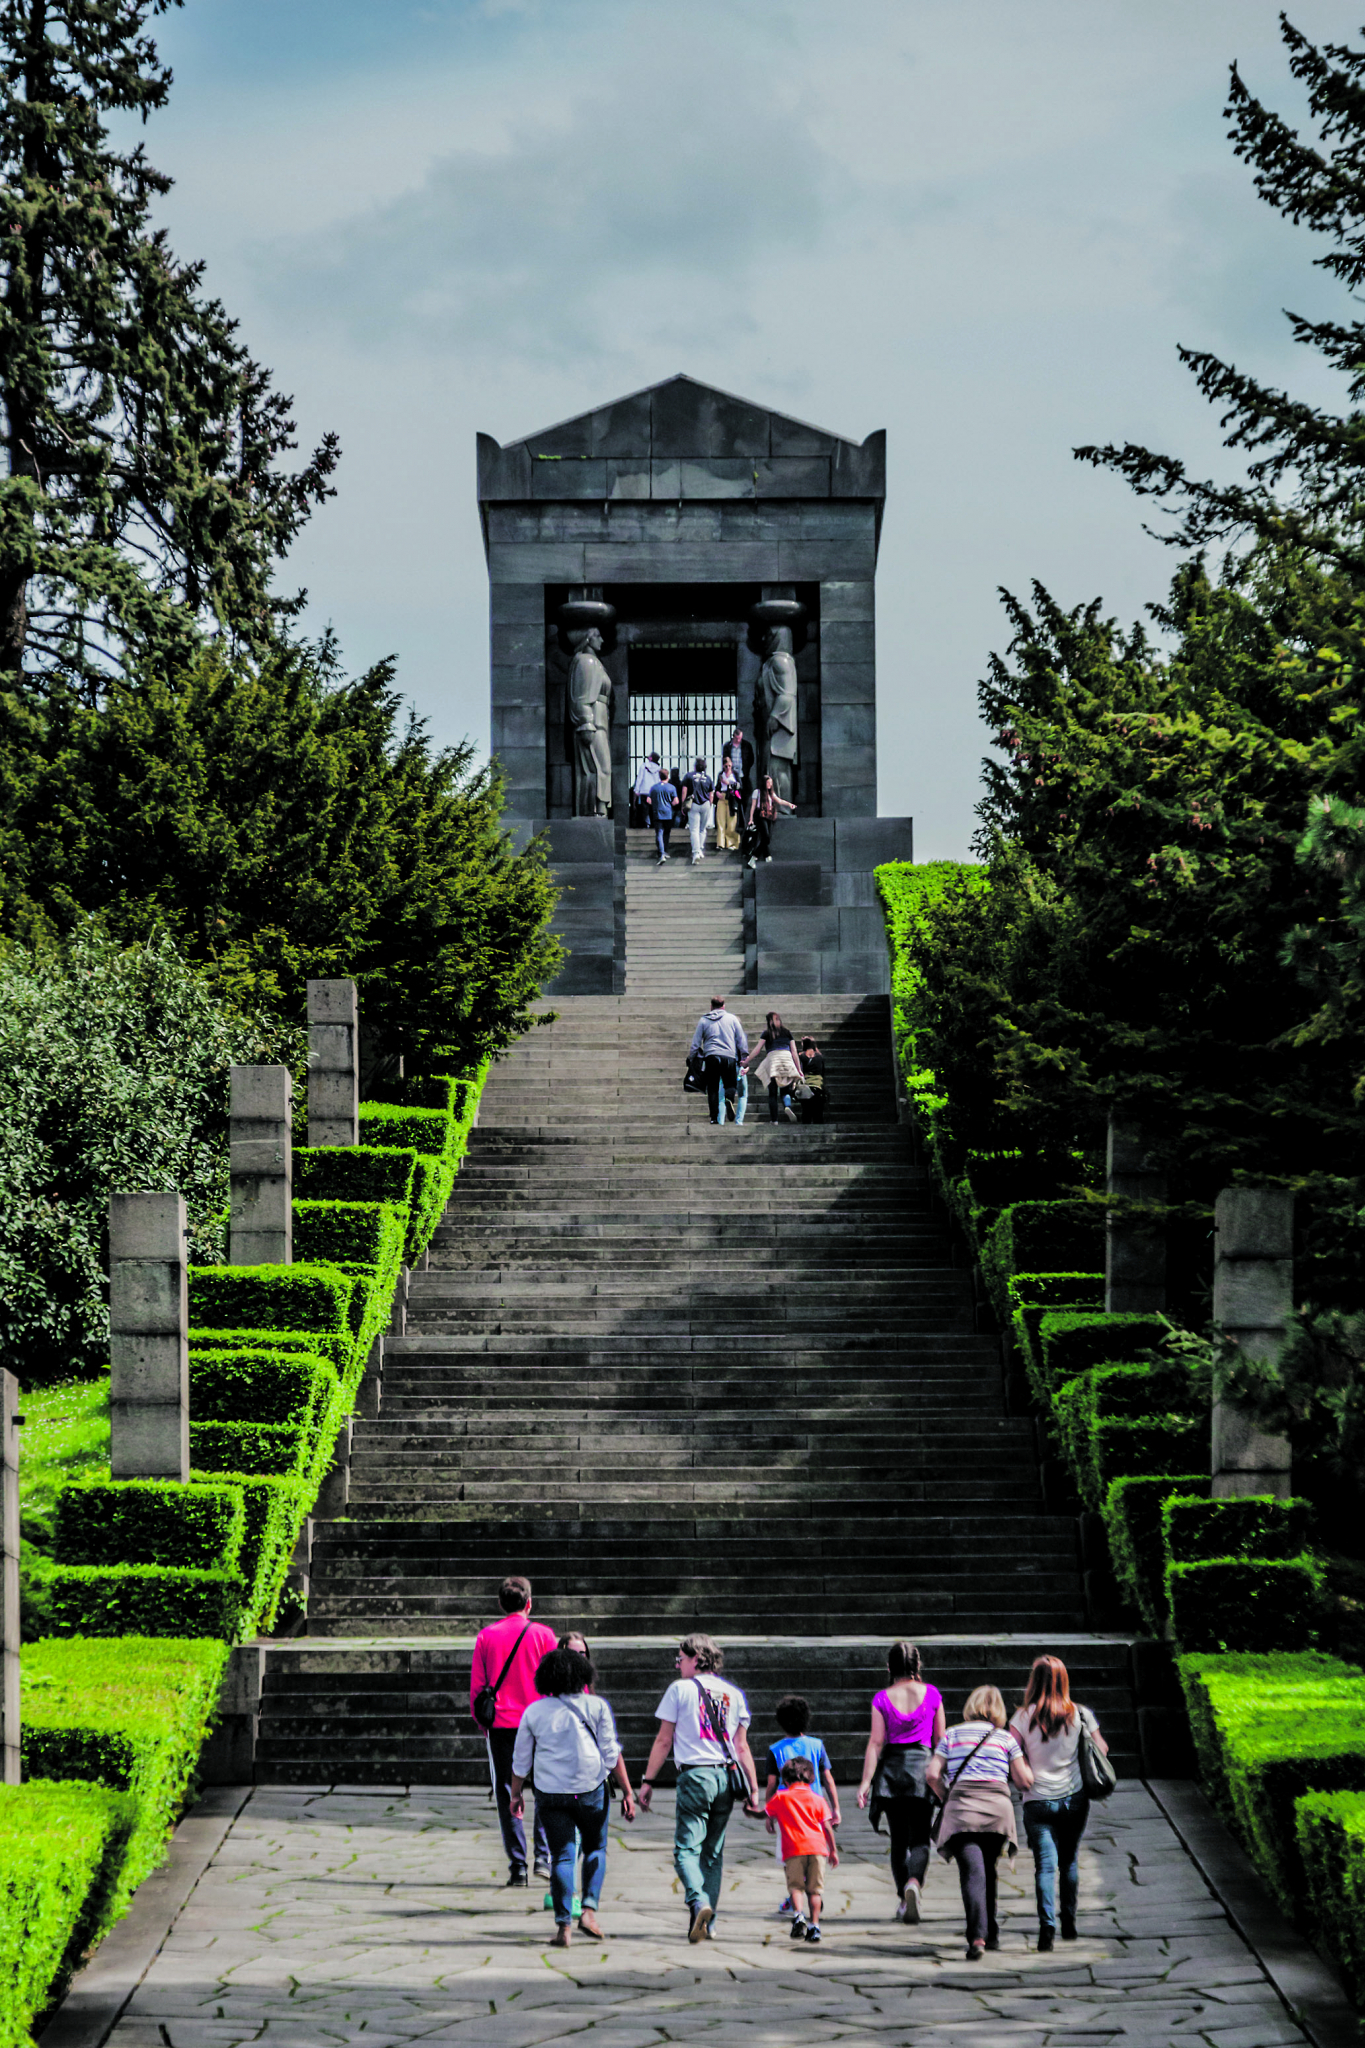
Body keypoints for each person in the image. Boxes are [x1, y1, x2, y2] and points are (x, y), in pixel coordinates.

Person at [509, 1646, 637, 1947]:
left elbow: (520, 1760)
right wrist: (628, 1791)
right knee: (595, 1848)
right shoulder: (598, 1706)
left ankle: (563, 1928)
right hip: (592, 1790)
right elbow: (611, 1753)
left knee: (562, 1857)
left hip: (551, 1794)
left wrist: (516, 1794)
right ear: (583, 1675)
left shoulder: (535, 1711)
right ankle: (589, 1911)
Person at [638, 1634, 759, 1943]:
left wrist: (648, 1780)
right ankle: (709, 1922)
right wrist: (754, 1788)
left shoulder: (679, 1690)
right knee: (713, 1854)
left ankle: (698, 1900)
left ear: (696, 1658)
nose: (678, 1665)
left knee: (685, 1850)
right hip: (726, 1778)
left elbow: (664, 1740)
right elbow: (741, 1747)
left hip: (695, 1776)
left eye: (680, 1659)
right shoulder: (734, 1694)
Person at [926, 1685, 1034, 1961]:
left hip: (962, 1810)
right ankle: (991, 1931)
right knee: (987, 1869)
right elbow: (1023, 1780)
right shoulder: (1006, 1739)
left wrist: (946, 1796)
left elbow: (931, 1774)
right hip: (997, 1812)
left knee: (973, 1874)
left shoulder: (951, 1734)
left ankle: (977, 1936)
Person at [1009, 1654, 1109, 1951]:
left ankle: (1047, 1927)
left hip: (1037, 1800)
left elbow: (1008, 1751)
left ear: (1033, 1681)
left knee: (1045, 1867)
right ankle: (1069, 1922)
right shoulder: (1081, 1714)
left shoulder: (1021, 1718)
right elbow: (1101, 1748)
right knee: (1069, 1861)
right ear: (1063, 1680)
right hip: (1074, 1798)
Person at [468, 1575, 558, 1887]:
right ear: (529, 1603)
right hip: (541, 1723)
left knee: (507, 1791)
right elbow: (557, 1681)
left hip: (503, 1725)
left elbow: (478, 1688)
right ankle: (544, 1858)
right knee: (546, 1787)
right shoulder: (545, 1635)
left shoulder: (486, 1637)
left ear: (500, 1604)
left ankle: (518, 1865)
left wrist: (483, 1724)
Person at [855, 1640, 944, 1925]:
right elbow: (941, 1740)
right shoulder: (932, 1694)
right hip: (923, 1772)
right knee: (920, 1838)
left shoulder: (882, 1698)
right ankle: (914, 1884)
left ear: (889, 1667)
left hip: (891, 1774)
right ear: (917, 1666)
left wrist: (865, 1782)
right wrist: (946, 1776)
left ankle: (902, 1899)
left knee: (898, 1841)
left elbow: (876, 1742)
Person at [765, 1694, 841, 1915]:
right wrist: (835, 1808)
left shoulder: (775, 1749)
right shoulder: (817, 1745)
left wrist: (769, 1814)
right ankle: (812, 1892)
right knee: (813, 1851)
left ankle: (794, 1893)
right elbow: (828, 1778)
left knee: (791, 1856)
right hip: (814, 1809)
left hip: (786, 1811)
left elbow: (771, 1785)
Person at [764, 1757, 839, 1944]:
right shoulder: (818, 1799)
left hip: (793, 1851)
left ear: (786, 1781)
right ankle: (815, 1927)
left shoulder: (781, 1797)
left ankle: (798, 1915)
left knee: (796, 1887)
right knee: (815, 1892)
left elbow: (767, 1812)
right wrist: (833, 1851)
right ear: (811, 1779)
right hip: (818, 1850)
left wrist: (758, 1813)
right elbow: (827, 1828)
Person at [688, 998, 749, 1126]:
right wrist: (744, 1056)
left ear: (711, 1006)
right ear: (723, 1006)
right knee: (730, 1085)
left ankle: (714, 1118)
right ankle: (729, 1098)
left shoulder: (704, 1020)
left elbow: (696, 1042)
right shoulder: (732, 1019)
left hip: (711, 1057)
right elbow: (741, 1039)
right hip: (729, 1057)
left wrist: (692, 1057)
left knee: (713, 1088)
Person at [750, 1012, 803, 1123]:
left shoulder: (766, 1033)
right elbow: (794, 1052)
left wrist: (746, 1061)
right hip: (787, 1060)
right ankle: (787, 1106)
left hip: (773, 1061)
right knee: (785, 1091)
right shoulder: (787, 1032)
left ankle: (774, 1120)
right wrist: (799, 1070)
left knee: (772, 1093)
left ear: (768, 1022)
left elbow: (757, 1049)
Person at [746, 773, 796, 867]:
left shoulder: (771, 793)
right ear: (764, 783)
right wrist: (751, 819)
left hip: (769, 816)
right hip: (760, 816)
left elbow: (779, 800)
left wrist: (789, 805)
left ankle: (766, 857)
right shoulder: (757, 792)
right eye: (768, 783)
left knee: (766, 838)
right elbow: (753, 807)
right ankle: (756, 857)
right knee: (766, 837)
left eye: (771, 783)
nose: (770, 785)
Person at [683, 758, 715, 865]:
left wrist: (684, 804)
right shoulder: (708, 778)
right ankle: (700, 849)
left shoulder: (689, 776)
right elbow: (711, 794)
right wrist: (709, 804)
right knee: (702, 829)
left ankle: (696, 853)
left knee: (694, 829)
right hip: (705, 804)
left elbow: (684, 790)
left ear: (695, 766)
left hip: (694, 804)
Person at [713, 758, 742, 850]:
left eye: (729, 766)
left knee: (731, 822)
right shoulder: (721, 775)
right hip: (721, 797)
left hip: (731, 798)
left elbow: (739, 785)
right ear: (723, 766)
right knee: (720, 821)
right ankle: (720, 843)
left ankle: (731, 843)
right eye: (726, 766)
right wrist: (717, 793)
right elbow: (717, 786)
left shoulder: (735, 774)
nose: (728, 768)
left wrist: (728, 783)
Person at [650, 771, 677, 865]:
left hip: (657, 813)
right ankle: (665, 851)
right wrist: (670, 805)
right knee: (666, 833)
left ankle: (661, 854)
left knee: (659, 833)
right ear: (667, 776)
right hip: (668, 813)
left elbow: (649, 800)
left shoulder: (654, 787)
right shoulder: (671, 787)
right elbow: (676, 801)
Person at [798, 1036, 826, 1124]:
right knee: (818, 1114)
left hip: (806, 1087)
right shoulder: (820, 1056)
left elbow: (800, 1070)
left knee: (806, 1114)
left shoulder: (801, 1056)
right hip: (818, 1085)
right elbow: (823, 1071)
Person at [632, 751, 661, 828]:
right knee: (653, 809)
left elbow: (639, 779)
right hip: (654, 791)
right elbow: (658, 780)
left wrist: (637, 790)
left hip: (644, 791)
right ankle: (653, 826)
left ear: (651, 758)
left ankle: (643, 825)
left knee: (644, 810)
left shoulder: (643, 766)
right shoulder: (659, 768)